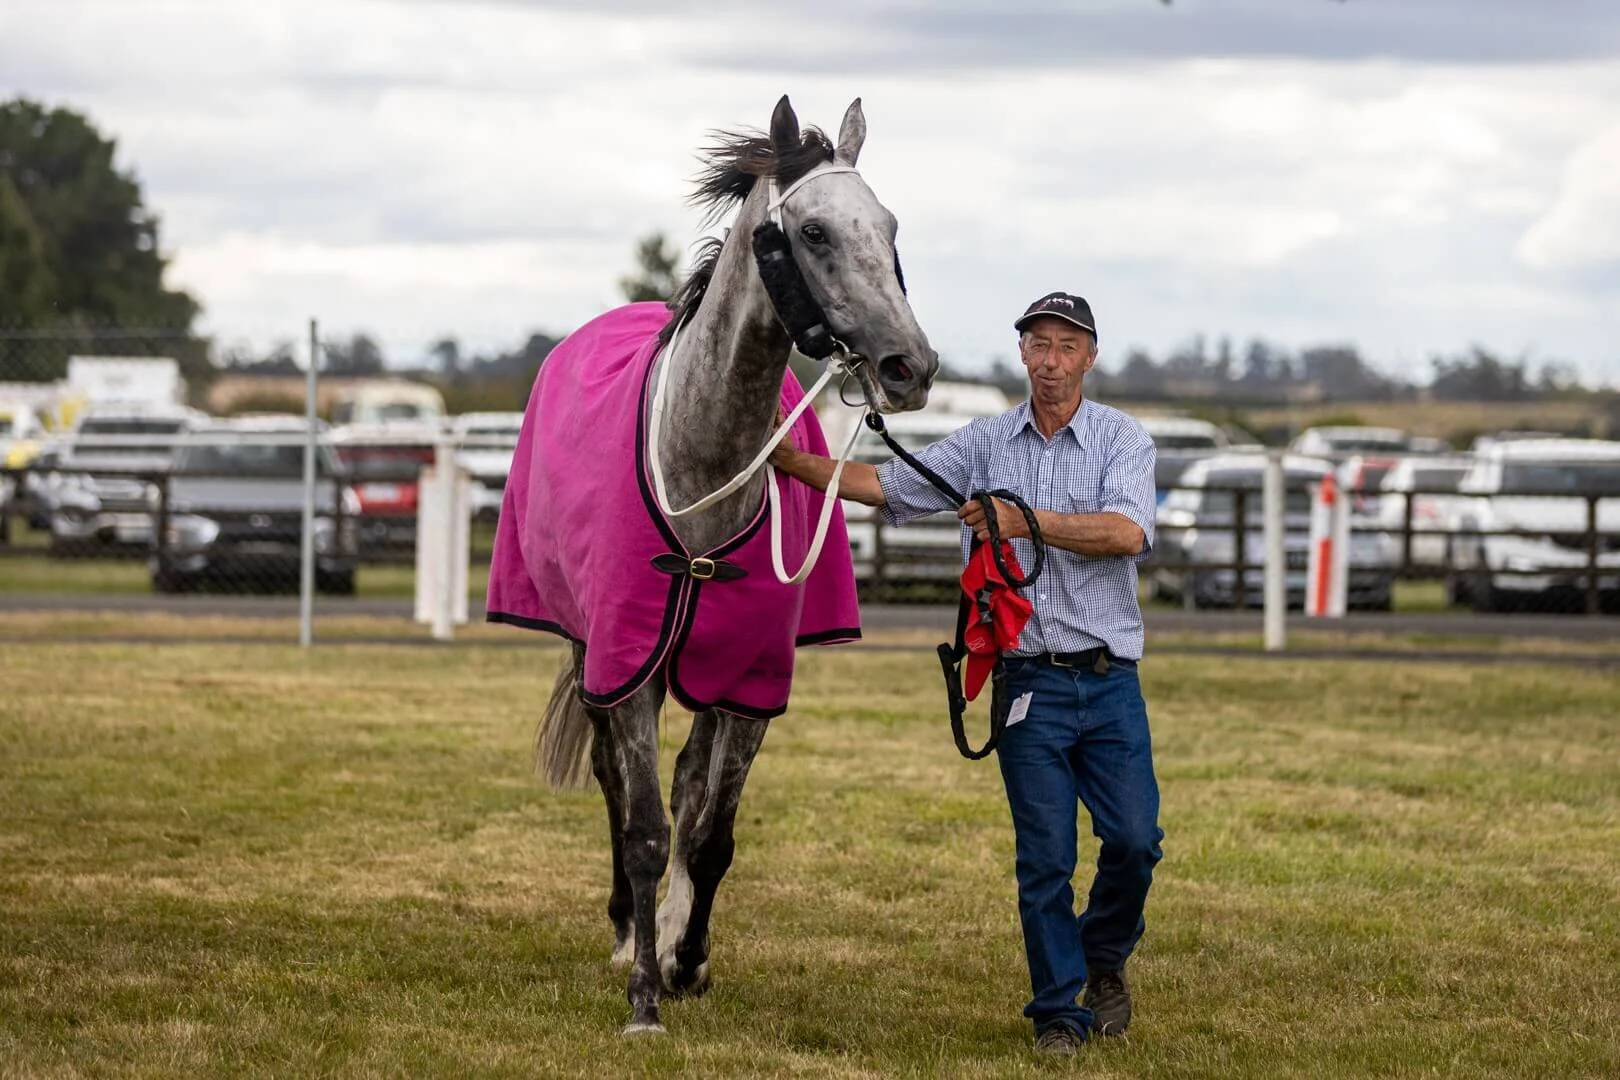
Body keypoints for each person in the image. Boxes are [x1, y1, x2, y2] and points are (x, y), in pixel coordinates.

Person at [770, 291, 1164, 1056]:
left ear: (1090, 356)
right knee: (1045, 857)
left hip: (1110, 679)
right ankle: (1058, 1012)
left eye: (1065, 347)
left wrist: (1022, 520)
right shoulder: (984, 442)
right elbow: (887, 486)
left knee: (1135, 842)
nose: (1050, 362)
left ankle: (1103, 956)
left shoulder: (1124, 440)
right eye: (1038, 345)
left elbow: (1126, 532)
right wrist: (785, 459)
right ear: (1022, 353)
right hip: (1028, 685)